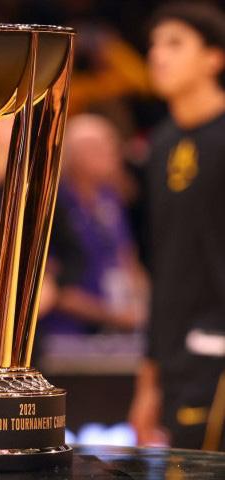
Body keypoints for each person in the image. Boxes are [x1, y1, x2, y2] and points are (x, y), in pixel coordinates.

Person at [129, 2, 225, 450]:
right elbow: (164, 266)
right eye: (153, 45)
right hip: (178, 361)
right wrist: (149, 381)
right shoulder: (163, 143)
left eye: (175, 43)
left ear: (214, 58)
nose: (157, 55)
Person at [39, 114, 148, 333]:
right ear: (72, 154)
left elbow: (126, 256)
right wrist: (112, 316)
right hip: (65, 331)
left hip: (117, 324)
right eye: (97, 147)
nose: (110, 153)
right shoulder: (53, 205)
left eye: (112, 145)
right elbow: (51, 283)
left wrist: (142, 304)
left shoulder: (110, 198)